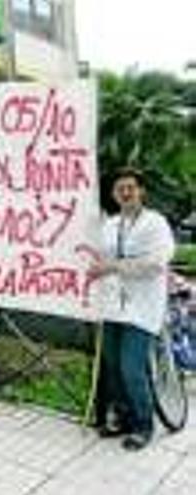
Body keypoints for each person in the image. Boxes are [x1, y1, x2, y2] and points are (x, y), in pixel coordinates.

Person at [89, 167, 176, 451]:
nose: (125, 193)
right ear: (114, 194)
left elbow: (157, 262)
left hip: (143, 308)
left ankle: (143, 426)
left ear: (141, 191)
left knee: (131, 368)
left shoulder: (156, 223)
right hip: (113, 305)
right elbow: (98, 257)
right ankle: (124, 419)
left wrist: (113, 266)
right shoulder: (111, 225)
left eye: (130, 187)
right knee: (113, 366)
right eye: (120, 189)